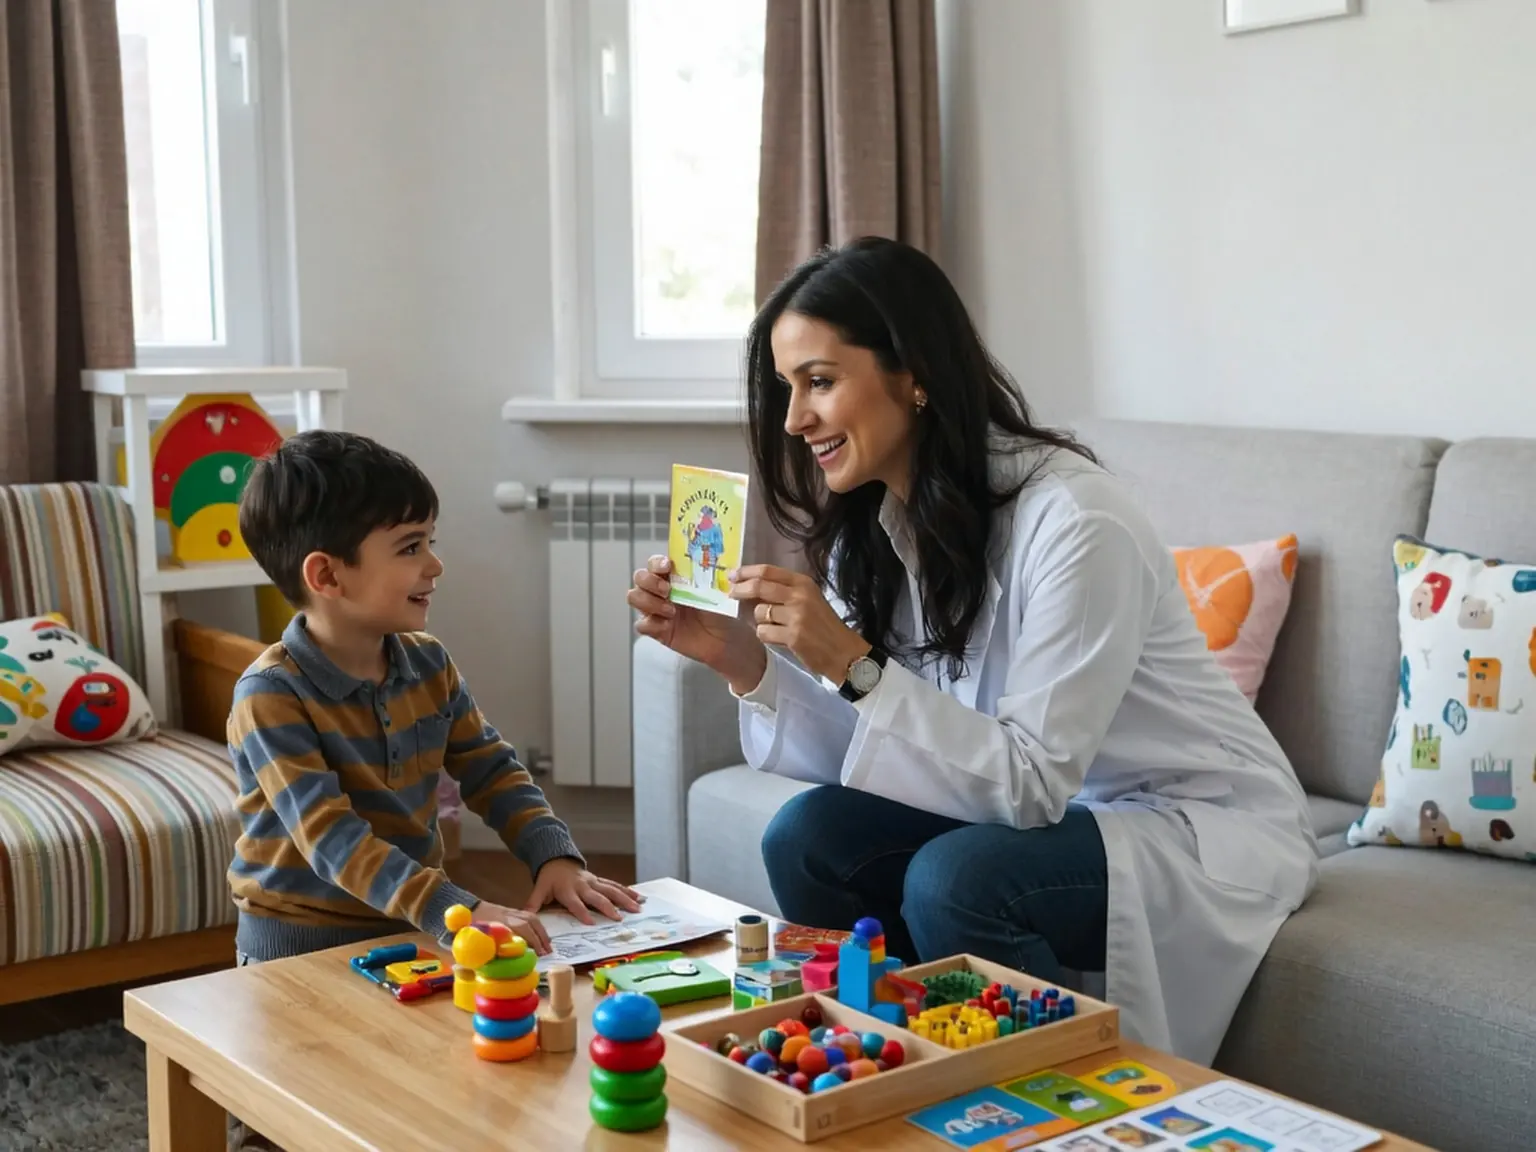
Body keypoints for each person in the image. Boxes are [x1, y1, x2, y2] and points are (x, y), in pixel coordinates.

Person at [626, 236, 1318, 1066]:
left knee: (957, 879)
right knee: (805, 836)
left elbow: (1030, 782)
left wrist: (851, 662)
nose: (794, 419)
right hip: (1054, 807)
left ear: (912, 373)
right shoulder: (870, 535)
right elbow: (883, 747)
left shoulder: (1076, 522)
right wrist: (744, 659)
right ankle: (895, 1067)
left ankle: (1043, 1106)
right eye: (786, 389)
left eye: (819, 381)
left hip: (1190, 819)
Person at [228, 430, 641, 968]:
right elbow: (332, 839)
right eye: (409, 547)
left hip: (413, 925)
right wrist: (460, 910)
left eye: (430, 542)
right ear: (327, 574)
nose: (435, 565)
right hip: (299, 949)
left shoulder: (427, 663)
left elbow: (493, 771)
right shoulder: (271, 696)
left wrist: (554, 857)